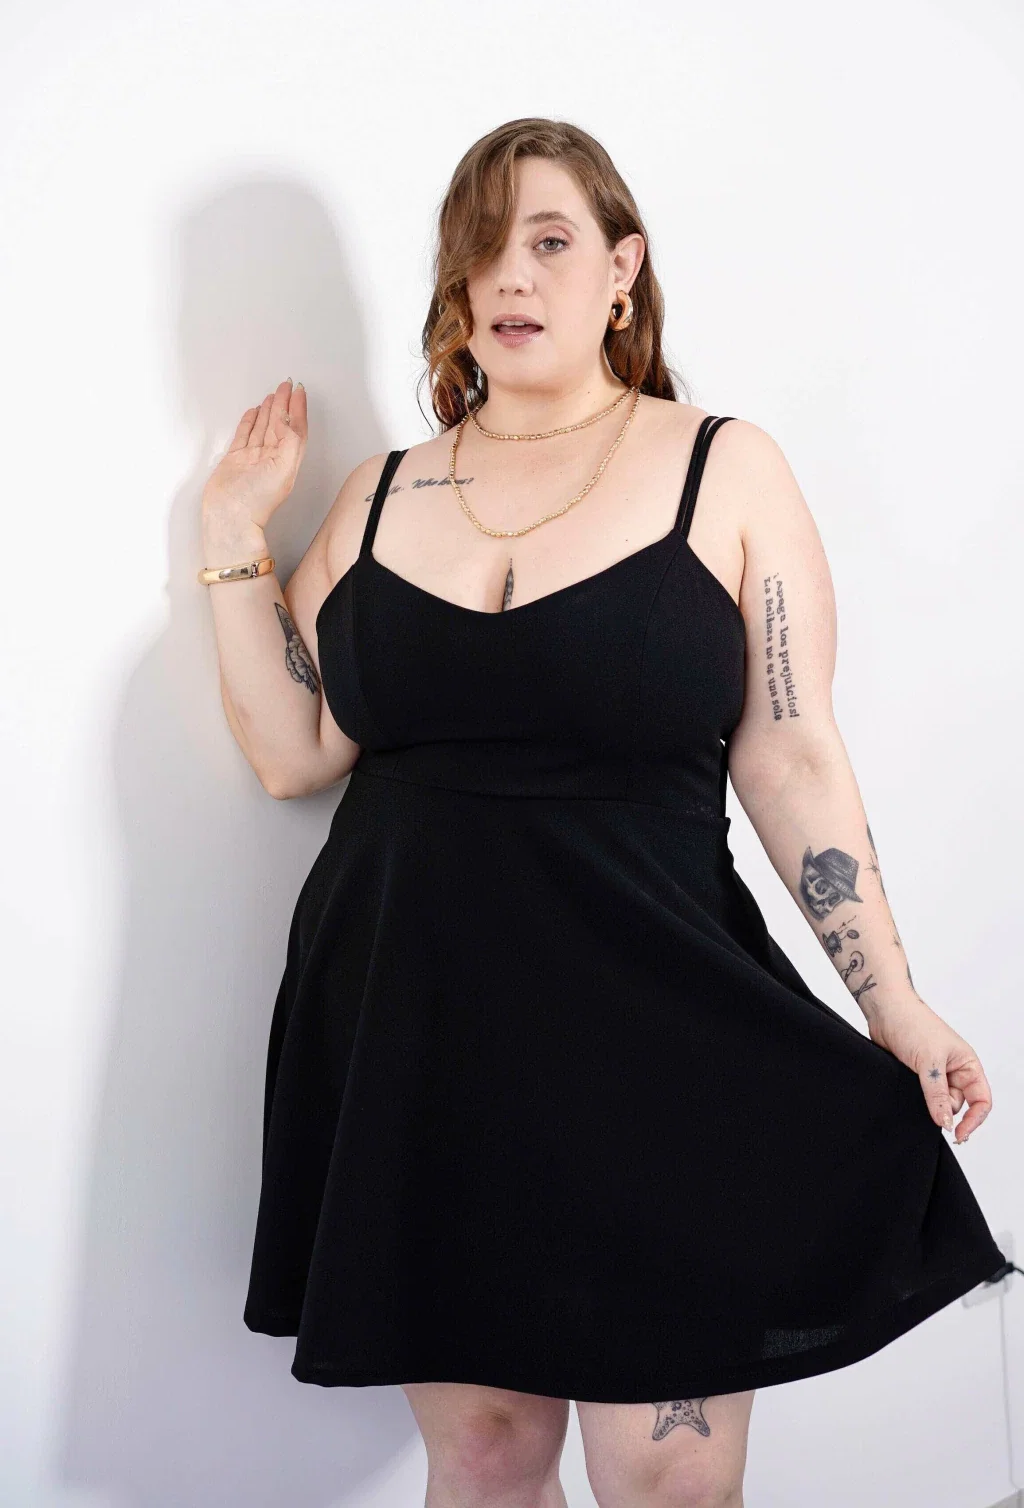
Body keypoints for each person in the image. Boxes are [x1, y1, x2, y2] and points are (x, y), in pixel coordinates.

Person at [200, 118, 1005, 1508]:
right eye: (481, 251)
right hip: (421, 1036)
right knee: (486, 1458)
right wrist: (229, 533)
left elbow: (793, 754)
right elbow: (294, 750)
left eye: (551, 242)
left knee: (667, 1480)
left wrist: (896, 1004)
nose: (511, 278)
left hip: (659, 1046)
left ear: (622, 269)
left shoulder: (722, 468)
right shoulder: (380, 495)